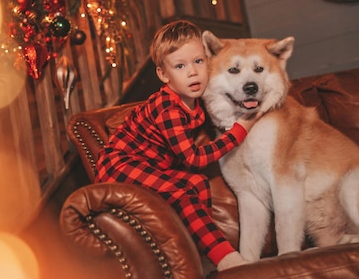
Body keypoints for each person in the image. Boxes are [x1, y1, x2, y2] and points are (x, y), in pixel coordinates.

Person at [95, 20, 261, 271]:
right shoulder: (168, 107)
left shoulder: (195, 102)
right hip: (119, 164)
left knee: (198, 183)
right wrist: (238, 133)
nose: (192, 72)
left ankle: (198, 255)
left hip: (150, 166)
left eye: (198, 61)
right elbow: (192, 159)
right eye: (180, 66)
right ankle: (226, 258)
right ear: (163, 74)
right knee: (182, 193)